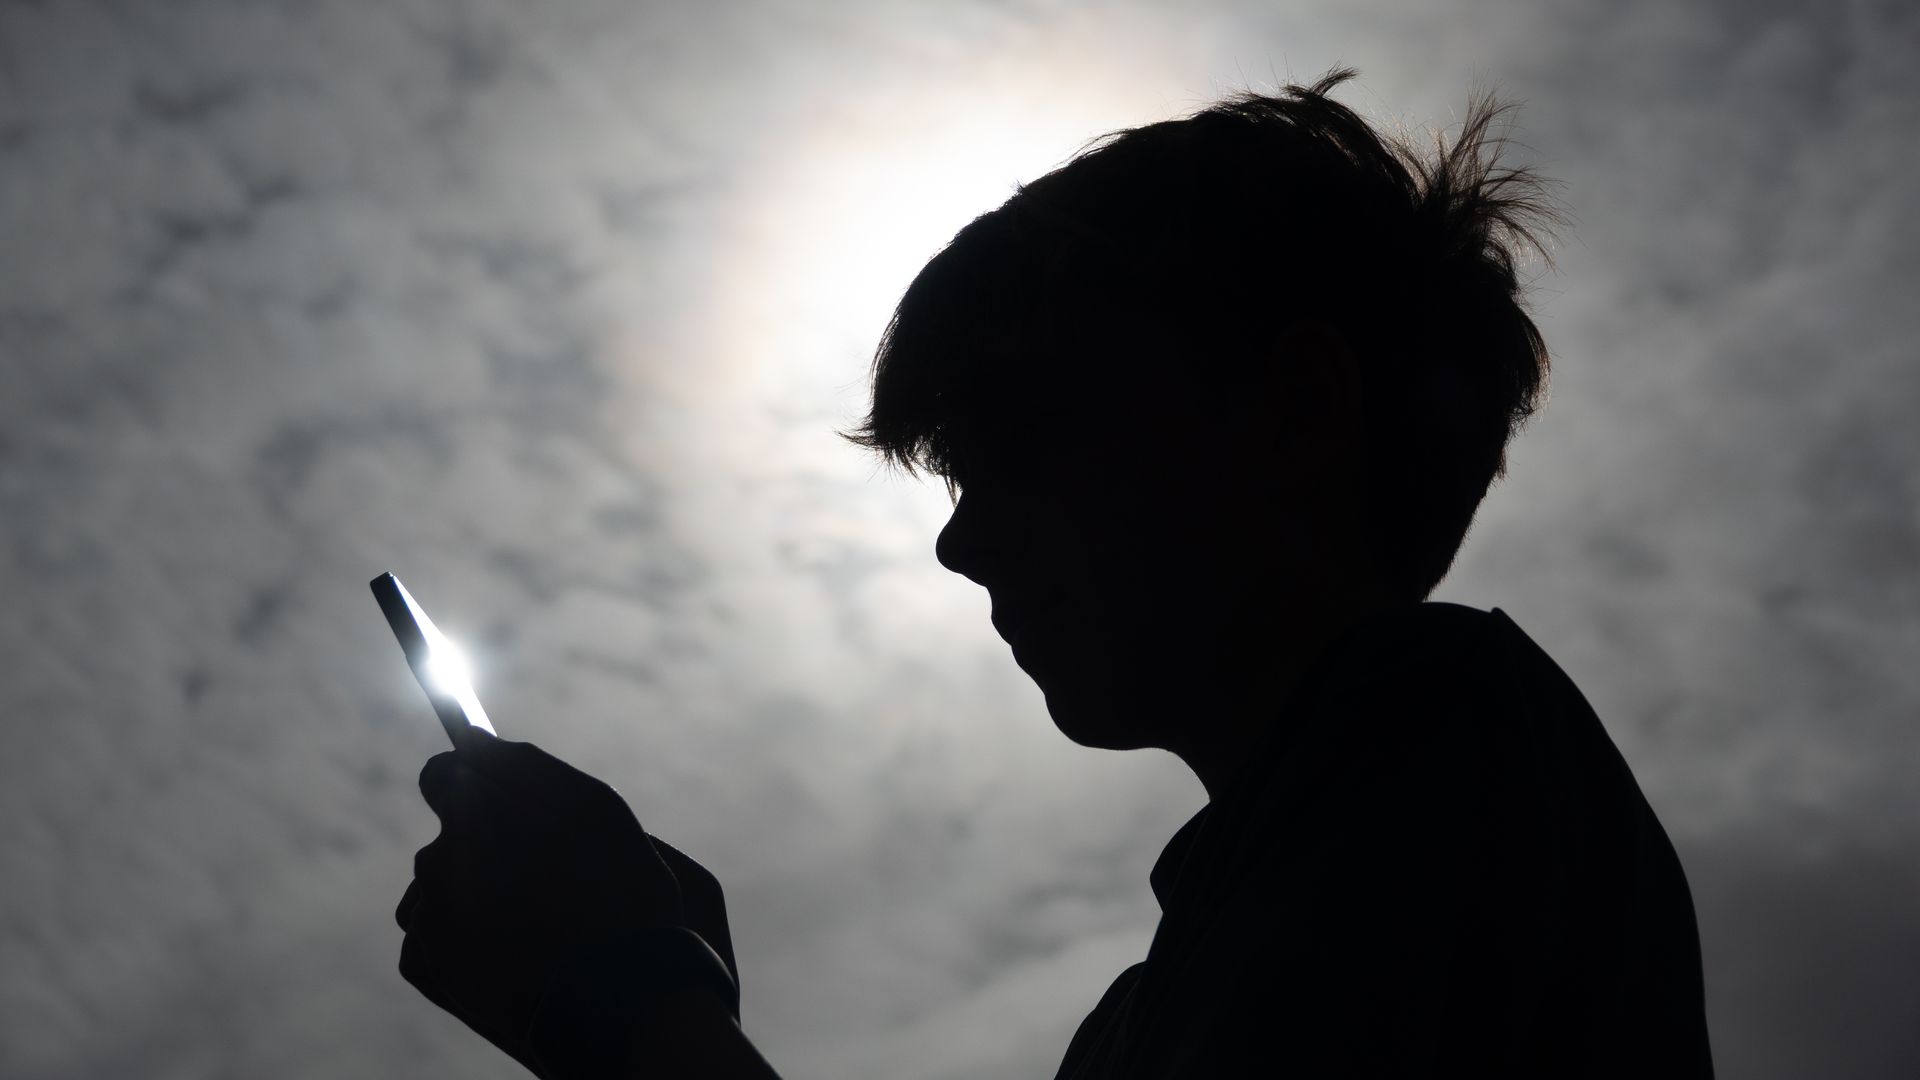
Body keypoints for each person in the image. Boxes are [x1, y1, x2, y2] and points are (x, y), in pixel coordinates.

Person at [394, 67, 1715, 1077]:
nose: (962, 544)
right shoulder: (1179, 984)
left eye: (1014, 449)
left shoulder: (1444, 733)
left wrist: (632, 1007)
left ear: (1295, 414)